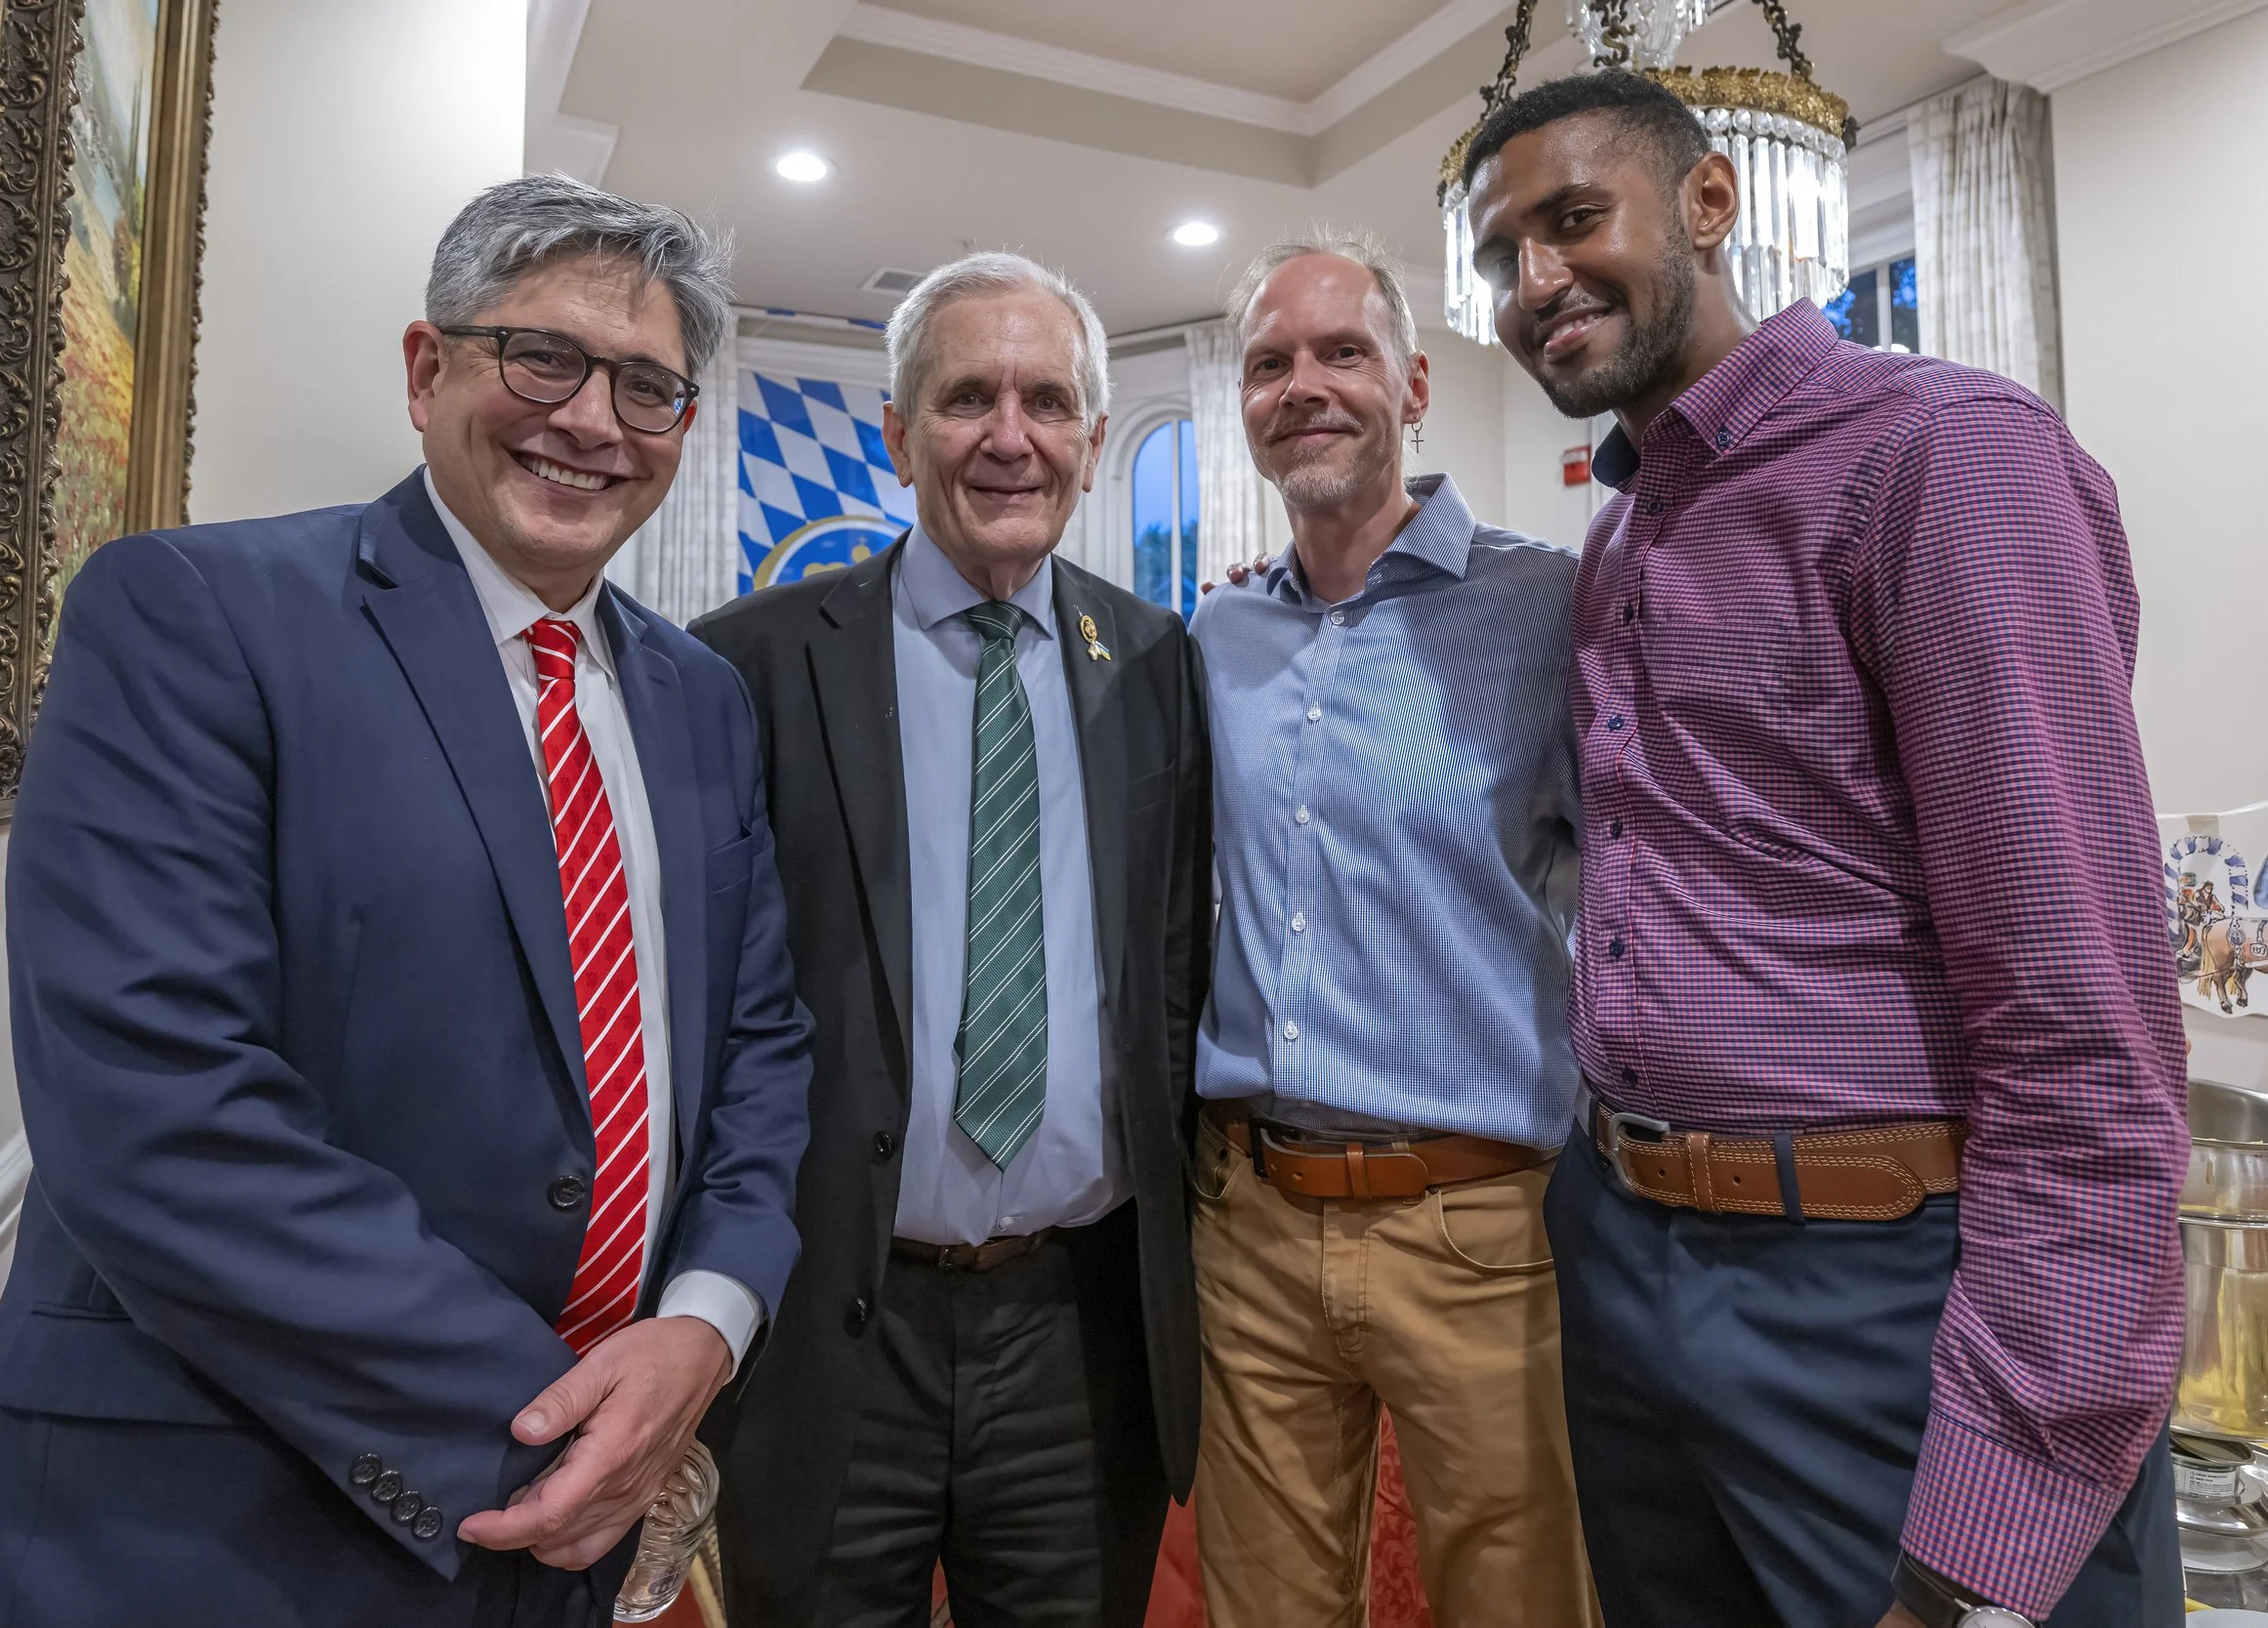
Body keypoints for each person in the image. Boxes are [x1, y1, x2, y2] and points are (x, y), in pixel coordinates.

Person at [0, 176, 814, 1628]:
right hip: (216, 1527)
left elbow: (760, 1050)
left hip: (574, 1531)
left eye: (648, 387)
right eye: (544, 357)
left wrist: (703, 1327)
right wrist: (569, 1421)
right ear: (425, 367)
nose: (593, 419)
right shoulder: (192, 616)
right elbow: (159, 1111)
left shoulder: (701, 699)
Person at [1463, 70, 2185, 1628]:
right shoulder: (1617, 538)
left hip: (1889, 1291)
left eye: (1574, 219)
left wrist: (2018, 1473)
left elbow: (2084, 1023)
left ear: (1711, 205)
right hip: (1629, 1256)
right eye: (1498, 254)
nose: (1534, 284)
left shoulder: (1938, 458)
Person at [690, 251, 1209, 1627]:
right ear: (897, 433)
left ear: (1094, 445)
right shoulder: (746, 663)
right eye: (968, 396)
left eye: (1048, 400)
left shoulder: (1159, 663)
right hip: (831, 1327)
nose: (1010, 434)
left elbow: (1169, 970)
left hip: (1075, 1331)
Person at [1187, 231, 1598, 1628]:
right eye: (1269, 363)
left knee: (1523, 1601)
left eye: (1341, 352)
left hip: (1480, 1225)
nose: (1304, 387)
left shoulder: (1551, 608)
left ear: (1413, 382)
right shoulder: (1214, 639)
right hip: (1248, 1218)